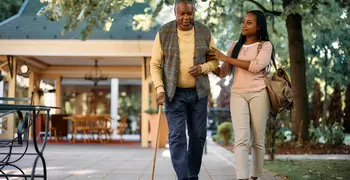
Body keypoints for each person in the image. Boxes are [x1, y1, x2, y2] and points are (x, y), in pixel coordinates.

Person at [149, 0, 219, 179]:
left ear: (194, 11)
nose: (186, 18)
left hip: (199, 93)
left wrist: (202, 68)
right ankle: (183, 177)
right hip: (174, 93)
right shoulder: (164, 32)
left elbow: (215, 61)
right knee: (177, 136)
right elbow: (155, 64)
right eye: (182, 14)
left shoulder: (205, 32)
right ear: (175, 12)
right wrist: (160, 89)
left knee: (197, 136)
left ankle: (192, 174)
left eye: (190, 13)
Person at [212, 10, 274, 180]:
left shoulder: (265, 46)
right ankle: (242, 177)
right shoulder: (234, 46)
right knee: (241, 139)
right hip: (238, 94)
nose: (243, 25)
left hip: (259, 93)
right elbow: (224, 72)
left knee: (258, 140)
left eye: (249, 22)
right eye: (243, 21)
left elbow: (255, 66)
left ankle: (255, 176)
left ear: (259, 26)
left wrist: (226, 57)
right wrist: (209, 64)